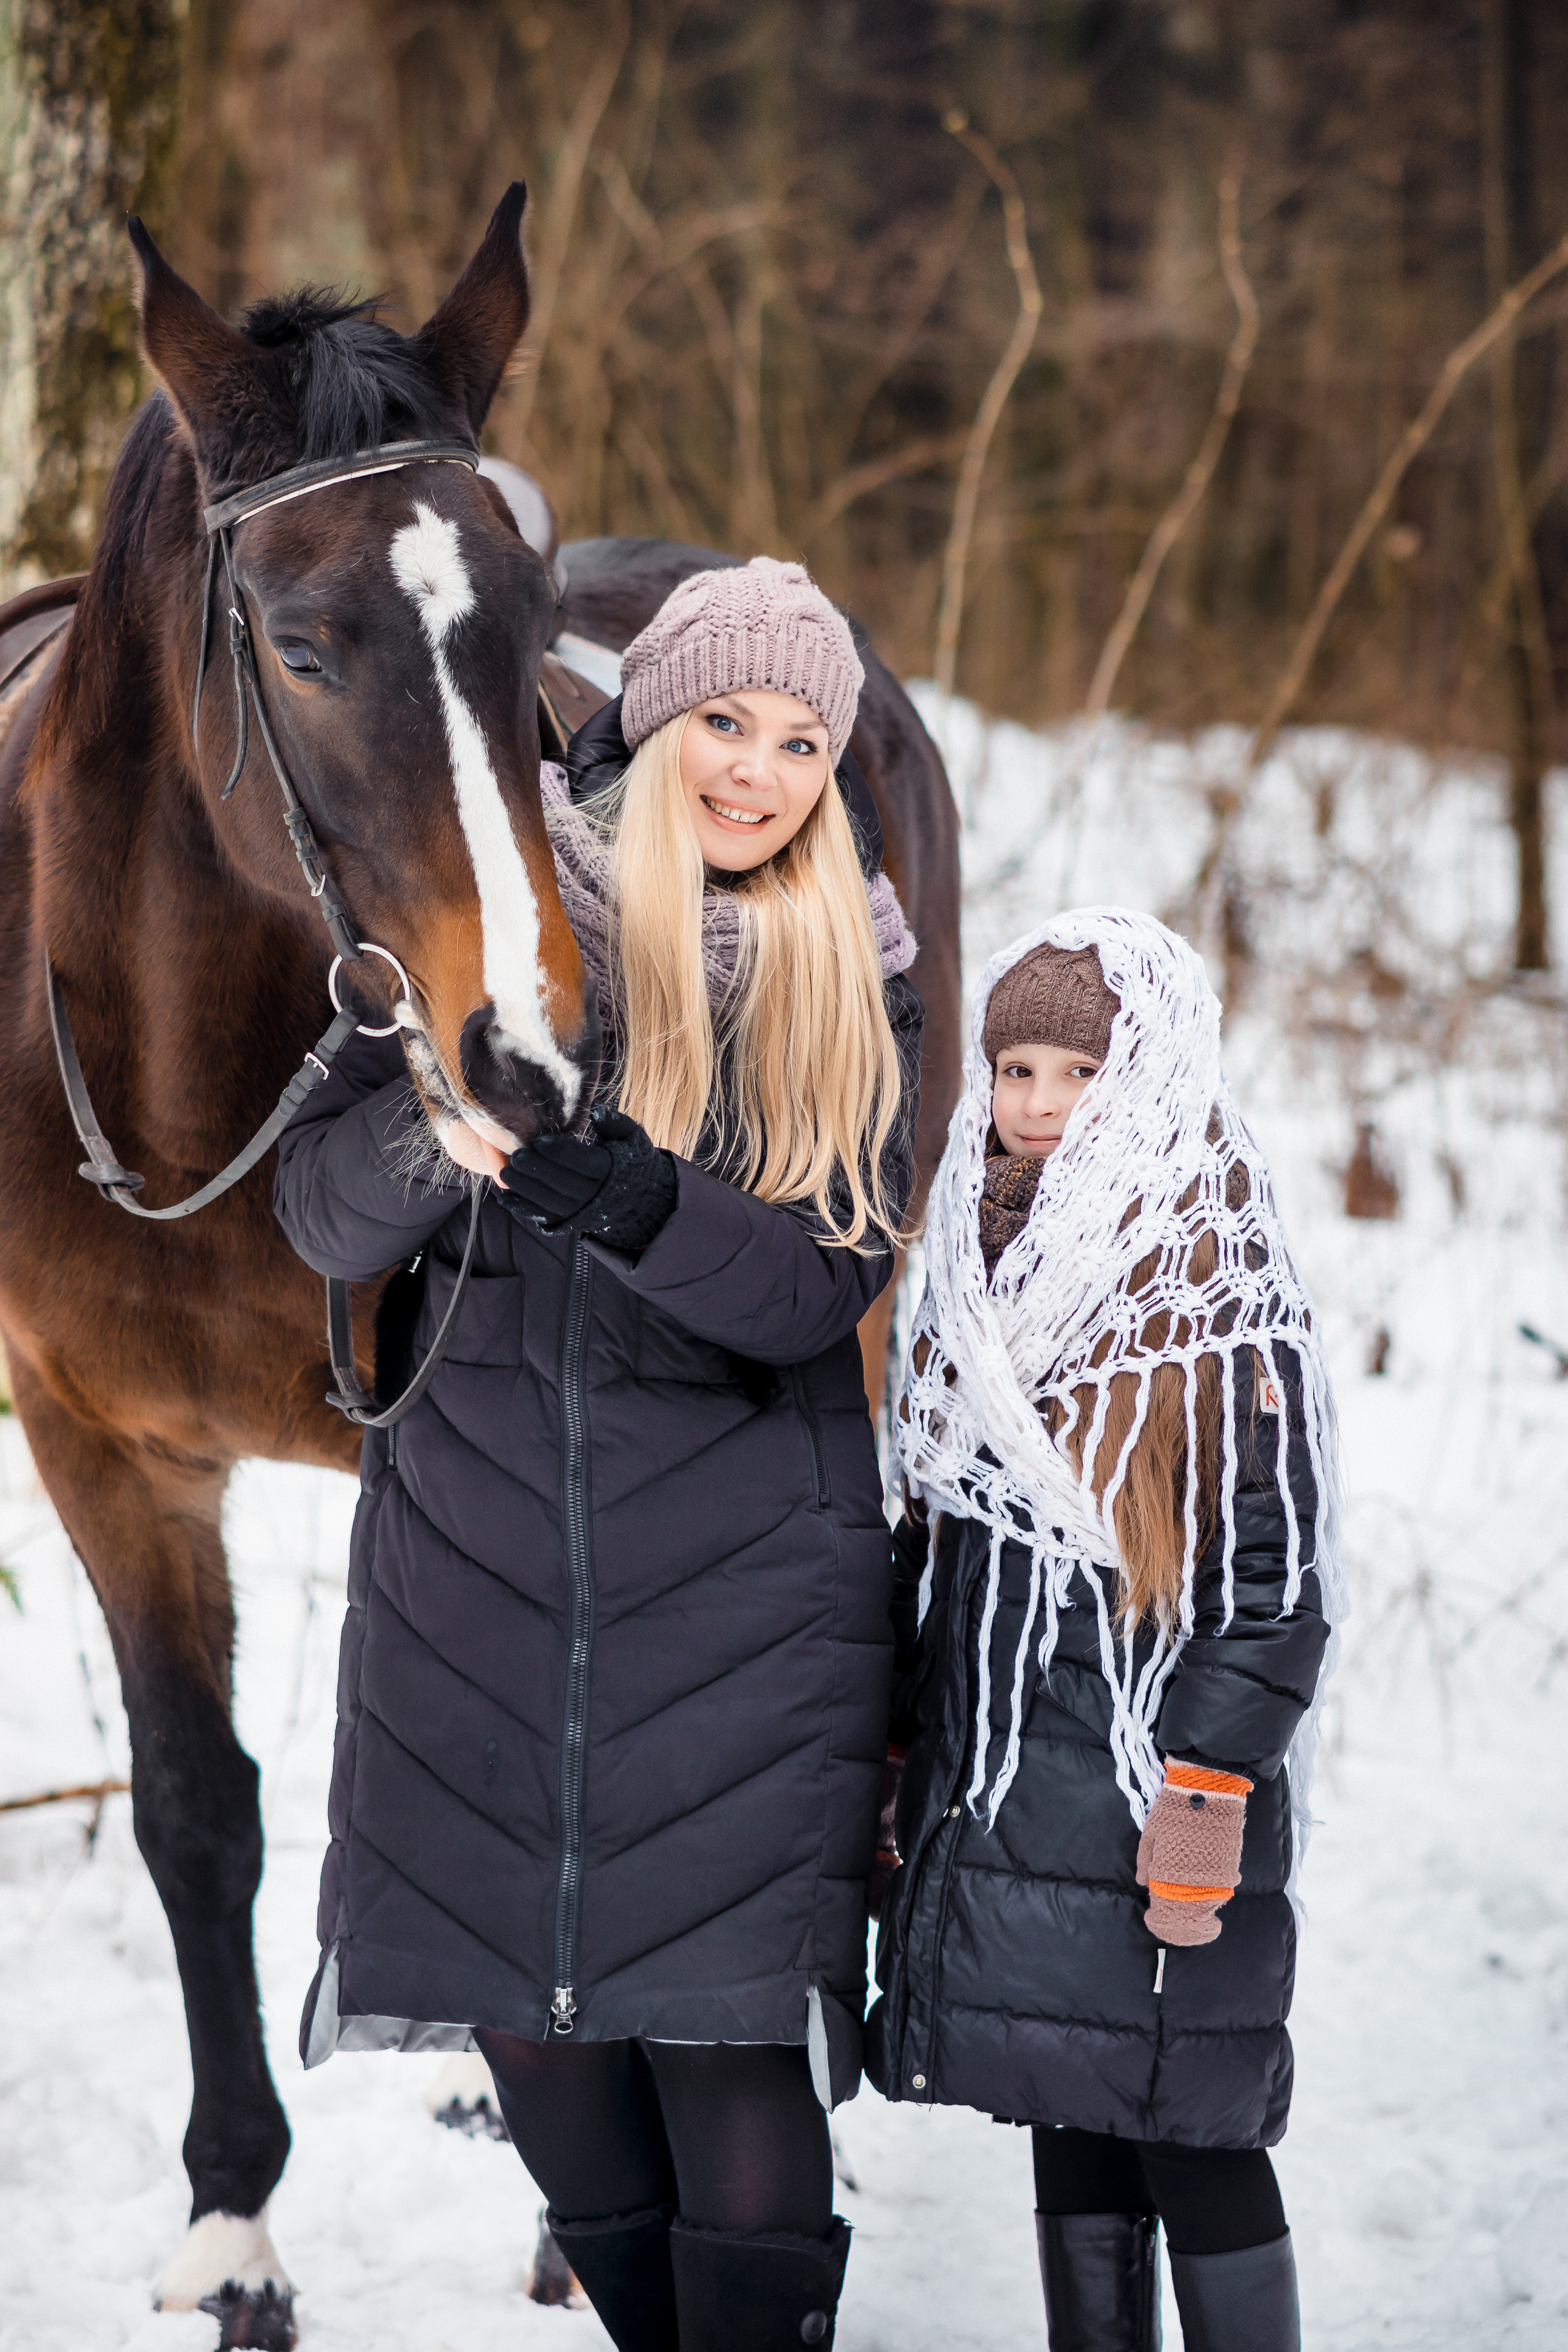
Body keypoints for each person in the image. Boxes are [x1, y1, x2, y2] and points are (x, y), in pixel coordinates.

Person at [273, 557, 922, 2351]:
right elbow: (318, 1218)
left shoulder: (852, 975)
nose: (758, 771)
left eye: (802, 739)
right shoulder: (477, 930)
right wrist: (438, 1131)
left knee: (733, 2084)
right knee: (547, 2063)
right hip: (471, 1611)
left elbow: (820, 1289)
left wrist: (639, 1199)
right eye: (726, 719)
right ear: (650, 721)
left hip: (745, 1625)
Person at [866, 910, 1343, 2352]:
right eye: (1015, 1070)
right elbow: (932, 1542)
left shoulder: (1216, 1305)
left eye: (1078, 1074)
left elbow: (1271, 1584)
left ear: (1145, 1085)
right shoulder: (973, 1278)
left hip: (1152, 1793)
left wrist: (1207, 1790)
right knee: (1061, 2114)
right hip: (1012, 1791)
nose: (1039, 1106)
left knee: (1192, 2138)